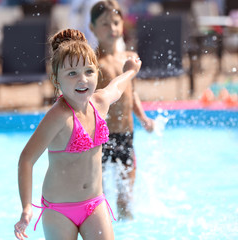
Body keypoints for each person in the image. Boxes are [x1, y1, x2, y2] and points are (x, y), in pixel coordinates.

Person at [14, 28, 141, 240]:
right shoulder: (58, 117)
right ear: (57, 80)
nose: (82, 80)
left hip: (94, 203)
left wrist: (130, 72)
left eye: (88, 71)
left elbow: (115, 88)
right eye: (72, 73)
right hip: (59, 210)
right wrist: (27, 206)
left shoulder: (99, 104)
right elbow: (26, 159)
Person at [89, 0, 154, 220]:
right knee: (100, 198)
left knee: (126, 199)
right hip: (100, 139)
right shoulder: (93, 62)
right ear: (92, 28)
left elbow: (131, 92)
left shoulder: (129, 57)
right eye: (105, 24)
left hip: (126, 136)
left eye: (116, 22)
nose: (112, 28)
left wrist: (143, 117)